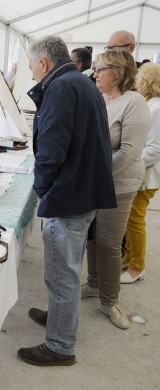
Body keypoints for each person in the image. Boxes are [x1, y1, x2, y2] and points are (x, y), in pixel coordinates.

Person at [18, 36, 117, 366]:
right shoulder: (81, 81)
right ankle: (59, 318)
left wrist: (41, 189)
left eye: (32, 67)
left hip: (70, 194)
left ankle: (60, 346)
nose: (32, 74)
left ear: (44, 63)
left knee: (63, 273)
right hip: (84, 191)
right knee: (65, 269)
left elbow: (51, 150)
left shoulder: (61, 88)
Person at [83, 50, 150, 328]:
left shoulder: (134, 103)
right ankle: (95, 283)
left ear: (119, 72)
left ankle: (110, 301)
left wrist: (94, 176)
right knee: (92, 236)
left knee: (109, 244)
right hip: (95, 180)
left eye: (100, 70)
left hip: (118, 184)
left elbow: (129, 152)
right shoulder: (101, 99)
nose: (95, 74)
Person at [121, 62, 160, 283]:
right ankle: (129, 257)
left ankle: (137, 267)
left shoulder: (157, 107)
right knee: (130, 218)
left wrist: (129, 161)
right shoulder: (149, 103)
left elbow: (155, 149)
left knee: (135, 218)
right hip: (140, 170)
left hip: (147, 175)